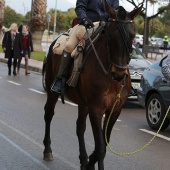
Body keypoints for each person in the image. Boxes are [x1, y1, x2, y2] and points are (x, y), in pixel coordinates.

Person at [51, 0, 119, 94]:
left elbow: (115, 11)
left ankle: (124, 83)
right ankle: (60, 79)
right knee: (69, 46)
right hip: (87, 25)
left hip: (106, 25)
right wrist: (84, 18)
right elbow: (80, 7)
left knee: (120, 44)